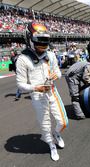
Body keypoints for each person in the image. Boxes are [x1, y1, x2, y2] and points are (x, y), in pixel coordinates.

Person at [15, 22, 68, 161]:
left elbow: (58, 72)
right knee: (45, 124)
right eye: (40, 40)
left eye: (45, 40)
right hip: (37, 95)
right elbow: (20, 85)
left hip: (52, 91)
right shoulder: (22, 59)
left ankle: (56, 133)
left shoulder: (50, 55)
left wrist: (57, 75)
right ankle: (51, 145)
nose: (43, 44)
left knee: (63, 122)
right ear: (29, 38)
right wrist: (35, 88)